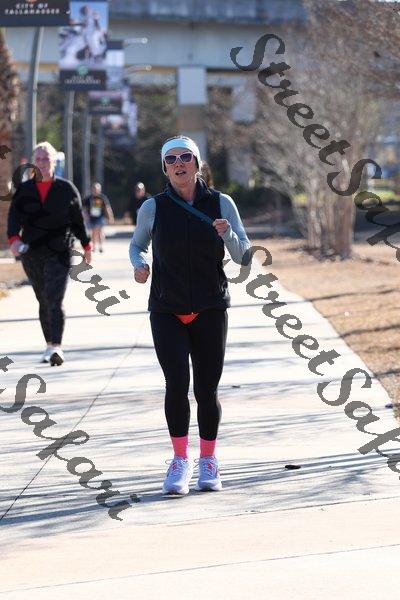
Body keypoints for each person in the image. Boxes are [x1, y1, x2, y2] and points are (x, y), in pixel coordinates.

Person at [129, 135, 251, 495]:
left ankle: (209, 460)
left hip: (210, 307)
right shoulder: (153, 207)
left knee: (207, 389)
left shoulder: (221, 202)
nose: (178, 163)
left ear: (197, 163)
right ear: (164, 168)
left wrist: (228, 235)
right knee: (177, 385)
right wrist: (140, 264)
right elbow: (137, 245)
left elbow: (244, 255)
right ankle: (180, 461)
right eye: (171, 159)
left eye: (185, 157)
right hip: (167, 309)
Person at [7, 141, 92, 366]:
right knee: (43, 299)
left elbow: (77, 221)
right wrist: (14, 240)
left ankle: (56, 347)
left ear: (54, 161)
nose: (43, 163)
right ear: (33, 163)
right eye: (39, 159)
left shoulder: (66, 189)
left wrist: (87, 245)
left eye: (46, 159)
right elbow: (13, 219)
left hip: (59, 251)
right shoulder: (24, 190)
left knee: (55, 298)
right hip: (32, 253)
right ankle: (48, 345)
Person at [83, 182, 114, 253]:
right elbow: (84, 209)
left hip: (100, 218)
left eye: (97, 189)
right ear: (92, 190)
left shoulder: (103, 198)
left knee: (99, 231)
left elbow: (107, 208)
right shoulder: (88, 199)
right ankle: (94, 246)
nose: (95, 191)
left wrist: (110, 217)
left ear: (99, 190)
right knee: (93, 233)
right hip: (91, 218)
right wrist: (85, 217)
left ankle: (100, 246)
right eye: (94, 189)